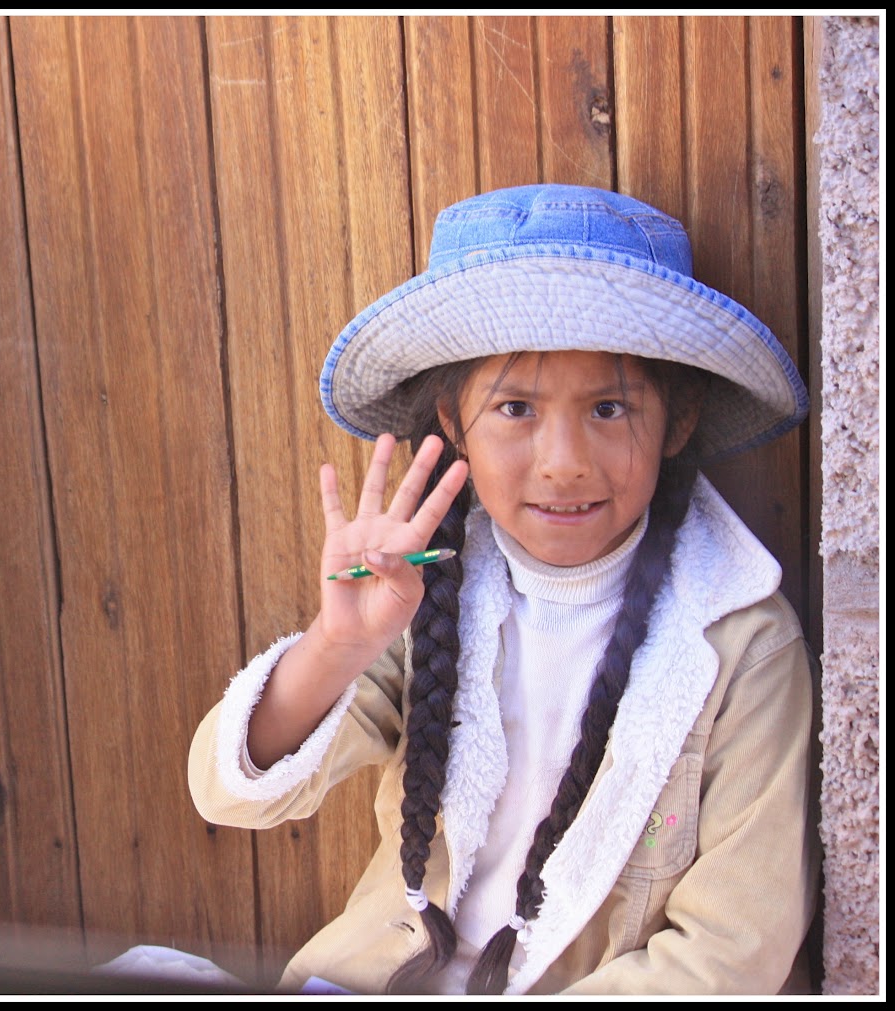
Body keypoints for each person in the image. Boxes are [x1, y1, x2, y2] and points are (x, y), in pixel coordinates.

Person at [189, 184, 817, 994]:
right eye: (515, 407)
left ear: (680, 418)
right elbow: (228, 790)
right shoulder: (426, 589)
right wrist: (338, 644)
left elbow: (731, 953)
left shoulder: (742, 645)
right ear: (452, 419)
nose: (562, 460)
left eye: (609, 407)